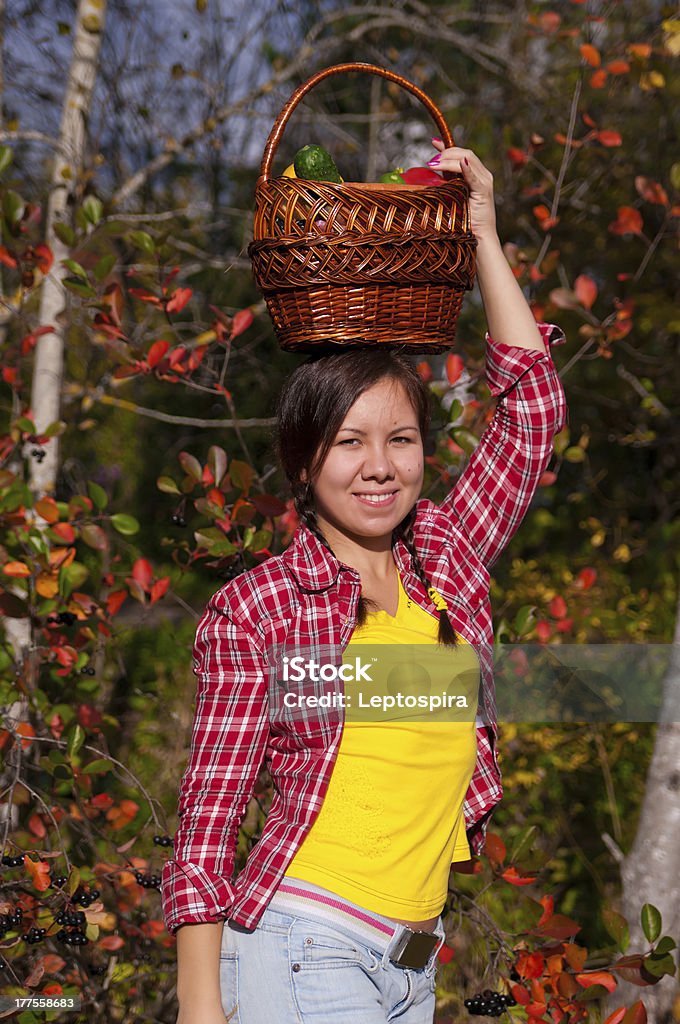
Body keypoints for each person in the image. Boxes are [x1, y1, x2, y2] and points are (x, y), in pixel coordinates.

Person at [161, 144, 568, 1024]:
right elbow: (211, 811)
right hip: (305, 942)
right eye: (349, 442)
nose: (379, 468)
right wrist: (201, 1004)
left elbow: (532, 413)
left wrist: (482, 232)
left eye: (401, 440)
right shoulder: (260, 606)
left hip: (414, 959)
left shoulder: (450, 561)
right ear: (304, 465)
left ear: (426, 450)